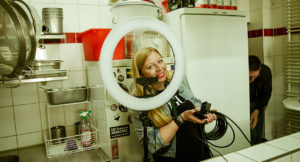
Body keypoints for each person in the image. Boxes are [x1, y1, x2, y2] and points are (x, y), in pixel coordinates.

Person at [131, 47, 217, 162]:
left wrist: (202, 113)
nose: (159, 68)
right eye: (150, 66)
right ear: (141, 75)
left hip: (200, 151)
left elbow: (195, 102)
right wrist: (181, 118)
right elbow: (151, 144)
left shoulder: (178, 80)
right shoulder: (140, 102)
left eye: (160, 61)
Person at [249, 55, 272, 145]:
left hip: (259, 103)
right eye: (250, 76)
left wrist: (257, 110)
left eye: (255, 76)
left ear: (260, 68)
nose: (252, 79)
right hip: (243, 103)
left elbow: (267, 93)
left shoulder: (266, 71)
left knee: (258, 134)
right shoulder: (240, 71)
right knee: (249, 134)